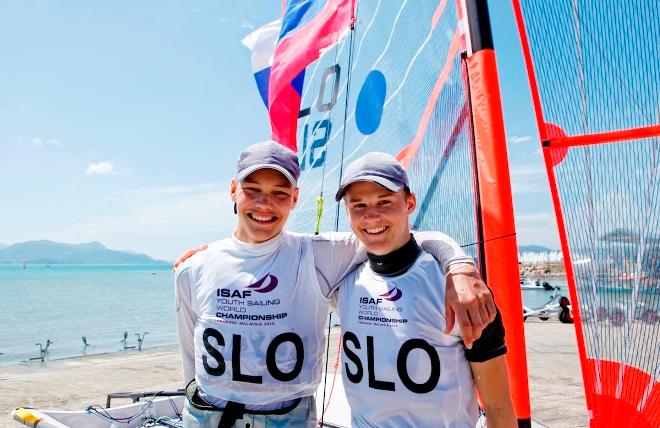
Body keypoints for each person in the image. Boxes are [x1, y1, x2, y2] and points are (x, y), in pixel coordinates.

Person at [174, 141, 496, 427]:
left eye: (279, 193)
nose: (264, 204)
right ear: (233, 190)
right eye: (252, 190)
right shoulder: (196, 267)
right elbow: (190, 354)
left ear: (295, 198)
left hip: (289, 418)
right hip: (206, 415)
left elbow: (401, 238)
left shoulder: (317, 254)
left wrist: (459, 266)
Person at [333, 152, 516, 428]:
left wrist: (458, 264)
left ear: (410, 203)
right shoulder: (342, 279)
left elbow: (498, 407)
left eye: (384, 202)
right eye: (358, 205)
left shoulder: (459, 292)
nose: (372, 216)